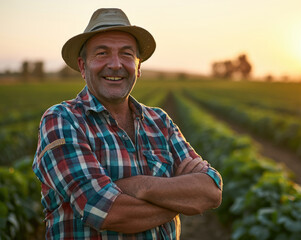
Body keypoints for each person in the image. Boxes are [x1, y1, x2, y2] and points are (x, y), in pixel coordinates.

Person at [33, 8, 222, 239]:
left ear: (138, 66)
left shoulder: (160, 122)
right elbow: (106, 211)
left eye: (126, 54)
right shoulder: (62, 120)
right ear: (83, 66)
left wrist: (140, 186)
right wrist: (182, 198)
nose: (115, 64)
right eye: (102, 53)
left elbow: (210, 191)